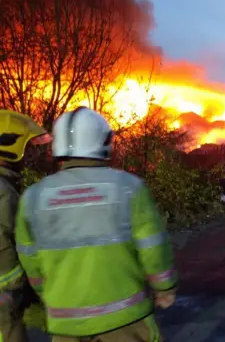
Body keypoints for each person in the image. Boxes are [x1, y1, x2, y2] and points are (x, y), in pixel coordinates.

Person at [14, 107, 177, 341]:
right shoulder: (128, 187)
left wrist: (48, 295)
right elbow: (152, 246)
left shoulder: (33, 197)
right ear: (103, 141)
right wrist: (165, 288)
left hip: (66, 324)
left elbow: (31, 262)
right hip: (125, 320)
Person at [0, 110, 49, 342]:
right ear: (11, 147)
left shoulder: (6, 186)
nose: (29, 155)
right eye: (26, 147)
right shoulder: (3, 194)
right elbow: (6, 255)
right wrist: (27, 290)